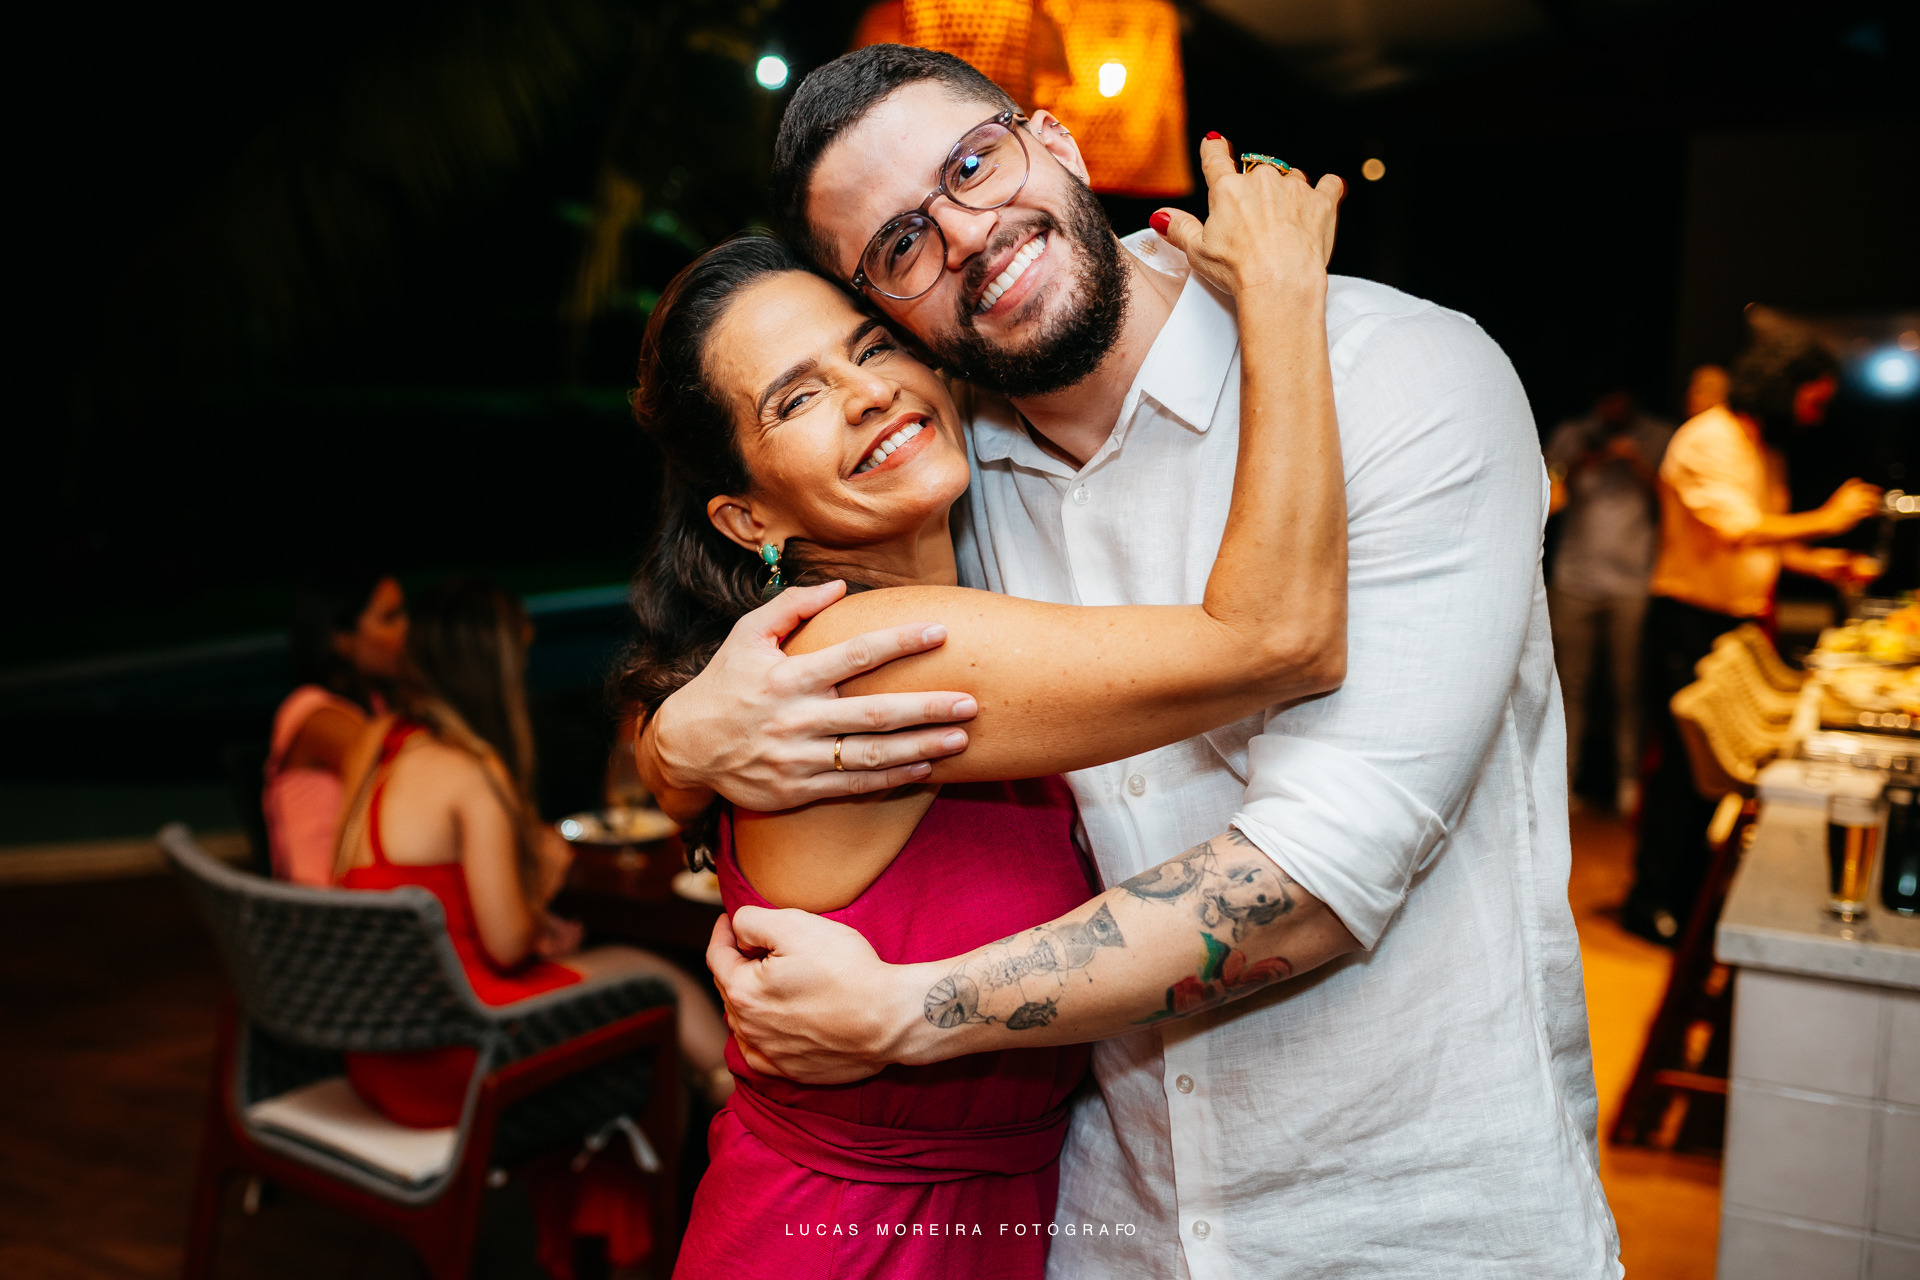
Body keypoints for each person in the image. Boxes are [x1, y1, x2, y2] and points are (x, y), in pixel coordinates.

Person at [645, 44, 1620, 1279]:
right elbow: (1259, 638)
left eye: (972, 164)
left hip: (1402, 1220)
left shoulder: (1397, 374)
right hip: (1099, 1224)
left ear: (1055, 138)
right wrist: (678, 745)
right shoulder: (947, 480)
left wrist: (906, 1008)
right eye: (900, 244)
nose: (966, 233)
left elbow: (1317, 863)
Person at [618, 132, 1347, 1278]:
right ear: (749, 518)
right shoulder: (863, 649)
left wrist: (669, 750)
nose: (870, 392)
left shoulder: (938, 599)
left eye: (872, 346)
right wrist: (1286, 297)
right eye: (799, 396)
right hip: (841, 1242)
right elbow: (1276, 637)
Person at [333, 579, 731, 1280]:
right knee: (669, 989)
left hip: (382, 1050)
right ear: (492, 668)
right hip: (460, 1060)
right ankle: (746, 1186)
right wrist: (544, 872)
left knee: (634, 976)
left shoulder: (377, 743)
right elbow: (507, 945)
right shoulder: (470, 770)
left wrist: (530, 921)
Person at [1626, 333, 1883, 942]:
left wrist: (1818, 564)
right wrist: (1829, 519)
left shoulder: (1759, 446)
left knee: (1702, 778)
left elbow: (1764, 536)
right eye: (1812, 402)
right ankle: (1651, 901)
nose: (1814, 416)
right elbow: (1737, 530)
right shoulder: (1708, 439)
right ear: (1783, 389)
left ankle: (1690, 895)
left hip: (1734, 616)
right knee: (1682, 768)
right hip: (1688, 617)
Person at [1545, 389, 1673, 813]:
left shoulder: (1658, 436)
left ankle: (1628, 783)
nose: (1610, 409)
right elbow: (1549, 495)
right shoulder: (1572, 434)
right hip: (1574, 577)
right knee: (1568, 687)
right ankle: (1562, 783)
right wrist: (1583, 462)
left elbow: (1675, 503)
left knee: (1629, 687)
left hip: (1633, 580)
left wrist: (1636, 461)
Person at [264, 570, 407, 885]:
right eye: (390, 618)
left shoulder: (377, 704)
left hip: (363, 895)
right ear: (342, 639)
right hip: (323, 906)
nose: (407, 629)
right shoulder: (313, 714)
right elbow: (409, 777)